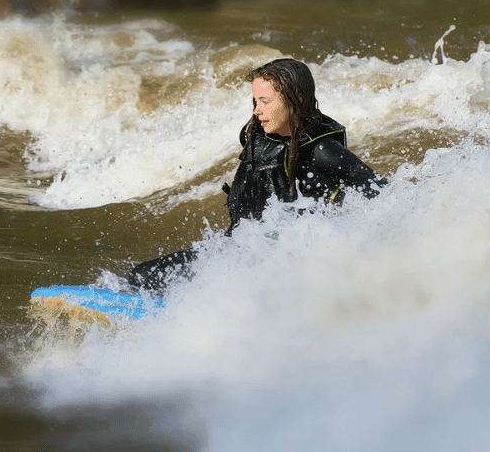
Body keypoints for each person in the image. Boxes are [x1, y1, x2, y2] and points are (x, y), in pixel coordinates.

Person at [128, 57, 387, 291]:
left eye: (265, 101)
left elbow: (385, 196)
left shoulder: (324, 151)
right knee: (142, 276)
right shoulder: (261, 135)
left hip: (278, 270)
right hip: (237, 250)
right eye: (255, 101)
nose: (257, 110)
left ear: (294, 99)